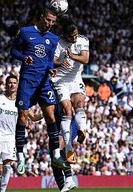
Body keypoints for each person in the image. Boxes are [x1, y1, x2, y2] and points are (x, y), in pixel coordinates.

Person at [10, 7, 65, 175]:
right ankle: (20, 156)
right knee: (23, 117)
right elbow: (13, 51)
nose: (50, 24)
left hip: (44, 82)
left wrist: (51, 69)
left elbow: (49, 61)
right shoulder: (26, 32)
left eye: (53, 22)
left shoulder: (53, 39)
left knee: (50, 115)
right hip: (27, 80)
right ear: (41, 17)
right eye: (48, 20)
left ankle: (56, 154)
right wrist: (23, 58)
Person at [52, 18, 89, 164]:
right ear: (65, 35)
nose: (74, 38)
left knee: (79, 104)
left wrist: (73, 56)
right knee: (67, 111)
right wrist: (61, 62)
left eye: (75, 35)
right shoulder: (58, 43)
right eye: (71, 36)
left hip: (76, 79)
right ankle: (68, 148)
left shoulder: (83, 40)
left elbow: (85, 59)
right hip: (60, 81)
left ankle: (82, 130)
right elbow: (52, 60)